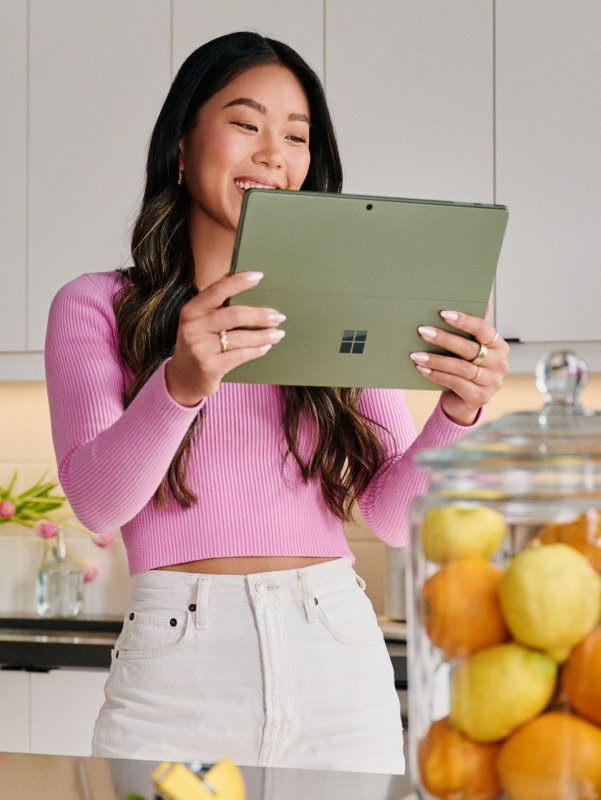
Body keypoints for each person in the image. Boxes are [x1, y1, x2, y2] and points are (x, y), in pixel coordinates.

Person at [44, 31, 508, 774]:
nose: (274, 155)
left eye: (296, 137)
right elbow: (99, 503)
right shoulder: (98, 307)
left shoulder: (343, 305)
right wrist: (180, 386)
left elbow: (390, 519)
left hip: (338, 659)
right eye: (244, 123)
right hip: (174, 669)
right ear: (182, 146)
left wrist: (457, 413)